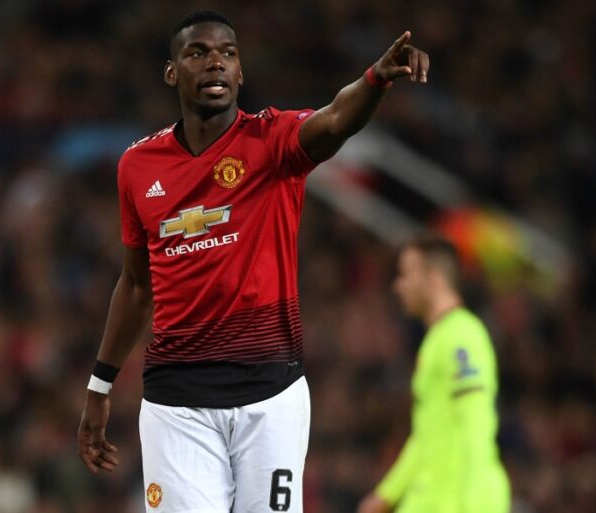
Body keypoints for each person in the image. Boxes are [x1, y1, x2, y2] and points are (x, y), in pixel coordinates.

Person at [77, 10, 429, 513]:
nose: (215, 62)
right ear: (172, 72)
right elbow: (136, 285)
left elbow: (335, 119)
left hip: (270, 396)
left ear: (240, 72)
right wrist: (99, 387)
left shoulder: (272, 141)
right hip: (177, 404)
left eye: (228, 53)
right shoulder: (138, 166)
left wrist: (376, 78)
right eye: (198, 52)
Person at [357, 234, 510, 513]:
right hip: (431, 498)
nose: (398, 285)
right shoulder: (437, 339)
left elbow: (476, 418)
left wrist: (476, 502)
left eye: (406, 274)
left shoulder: (462, 334)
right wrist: (385, 496)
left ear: (435, 278)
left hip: (457, 500)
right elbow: (425, 435)